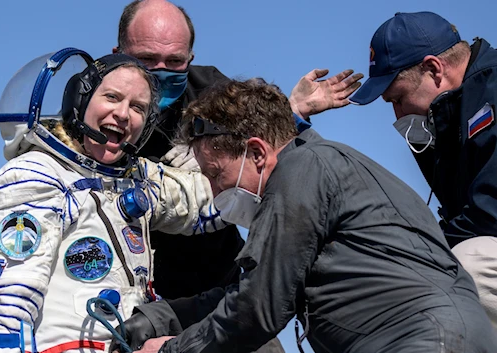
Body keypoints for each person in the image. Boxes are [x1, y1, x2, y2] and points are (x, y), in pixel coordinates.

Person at [118, 78, 497, 353]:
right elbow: (253, 289)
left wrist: (172, 350)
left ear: (257, 152)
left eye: (216, 175)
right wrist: (165, 315)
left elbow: (256, 309)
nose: (214, 192)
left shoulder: (301, 173)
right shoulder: (324, 168)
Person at [0, 50, 227, 353]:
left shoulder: (136, 178)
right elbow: (7, 307)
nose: (122, 113)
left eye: (138, 107)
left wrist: (220, 159)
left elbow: (215, 198)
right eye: (112, 97)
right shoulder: (37, 176)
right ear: (80, 101)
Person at [113, 0, 364, 302]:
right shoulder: (96, 106)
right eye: (147, 59)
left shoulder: (210, 90)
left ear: (190, 58)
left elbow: (261, 145)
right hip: (133, 293)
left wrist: (292, 111)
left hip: (222, 286)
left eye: (175, 61)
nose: (161, 71)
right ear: (118, 55)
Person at [348, 11, 497, 329]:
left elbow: (490, 214)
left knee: (468, 265)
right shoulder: (453, 111)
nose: (397, 112)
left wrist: (404, 257)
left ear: (433, 68)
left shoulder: (492, 92)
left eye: (398, 98)